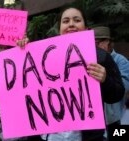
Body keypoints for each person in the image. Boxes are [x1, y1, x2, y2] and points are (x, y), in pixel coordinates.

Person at [17, 5, 125, 141]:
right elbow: (25, 87)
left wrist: (105, 80)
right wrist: (22, 50)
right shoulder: (42, 55)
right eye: (66, 21)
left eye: (77, 20)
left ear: (86, 28)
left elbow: (117, 94)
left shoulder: (101, 57)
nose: (71, 24)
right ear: (60, 29)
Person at [93, 26, 129, 140]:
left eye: (97, 43)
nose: (95, 47)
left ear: (107, 42)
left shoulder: (120, 60)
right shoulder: (91, 59)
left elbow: (124, 86)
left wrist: (105, 79)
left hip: (114, 118)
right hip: (96, 119)